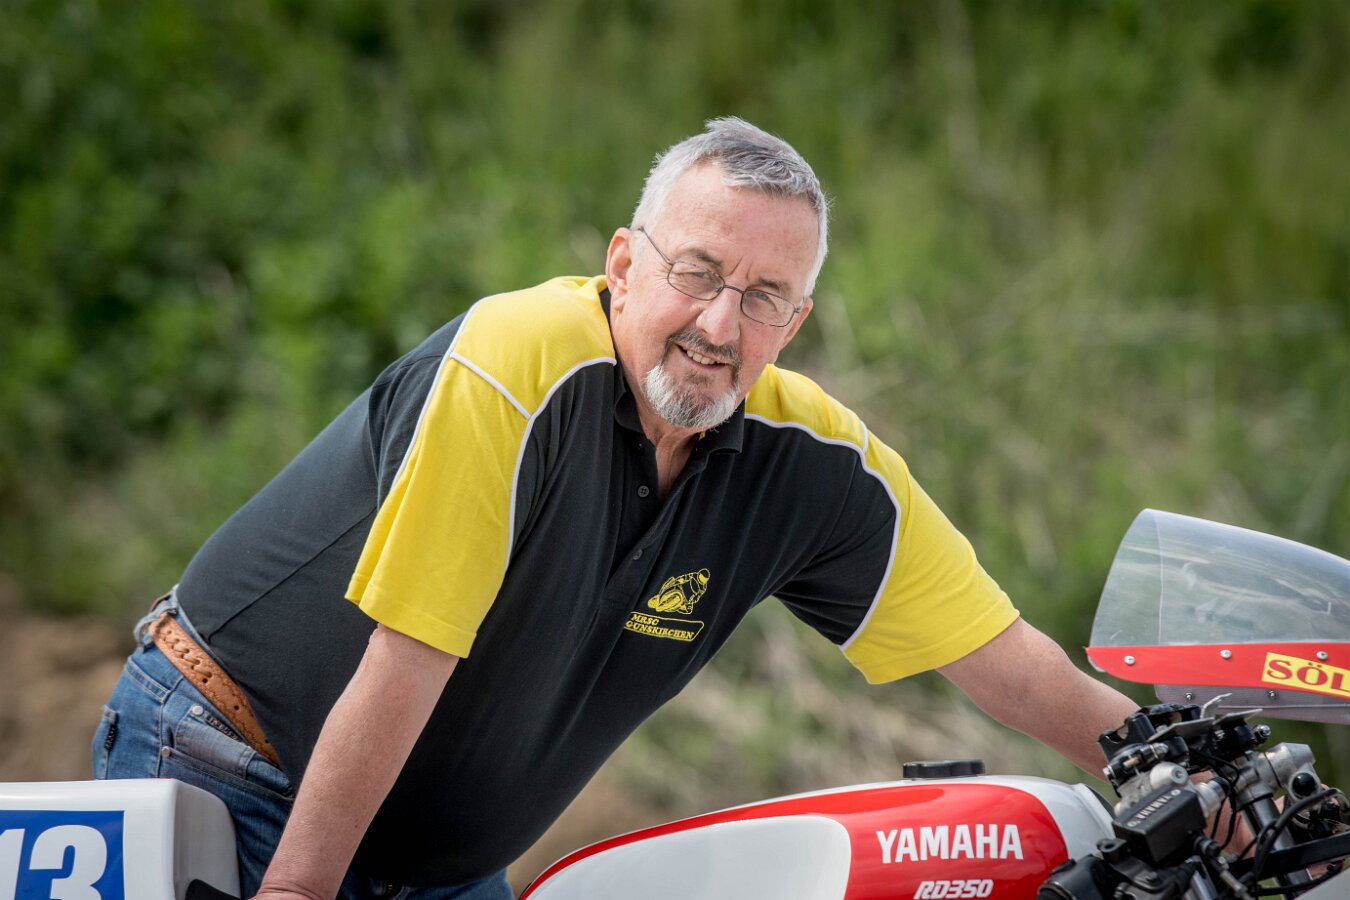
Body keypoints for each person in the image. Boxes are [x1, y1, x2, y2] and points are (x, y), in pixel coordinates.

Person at [94, 117, 1137, 900]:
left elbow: (1012, 663)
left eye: (764, 297)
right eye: (697, 273)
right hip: (237, 769)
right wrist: (297, 891)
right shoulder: (519, 361)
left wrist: (1175, 768)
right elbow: (407, 657)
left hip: (435, 863)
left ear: (797, 322)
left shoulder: (817, 462)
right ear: (625, 265)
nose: (720, 324)